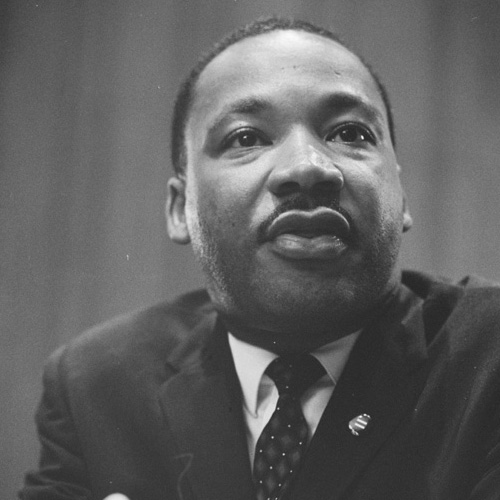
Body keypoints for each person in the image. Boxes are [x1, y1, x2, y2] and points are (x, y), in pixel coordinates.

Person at [20, 17, 500, 500]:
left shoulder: (488, 357)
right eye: (246, 138)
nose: (308, 167)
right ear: (179, 209)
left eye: (351, 133)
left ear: (402, 195)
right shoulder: (95, 387)